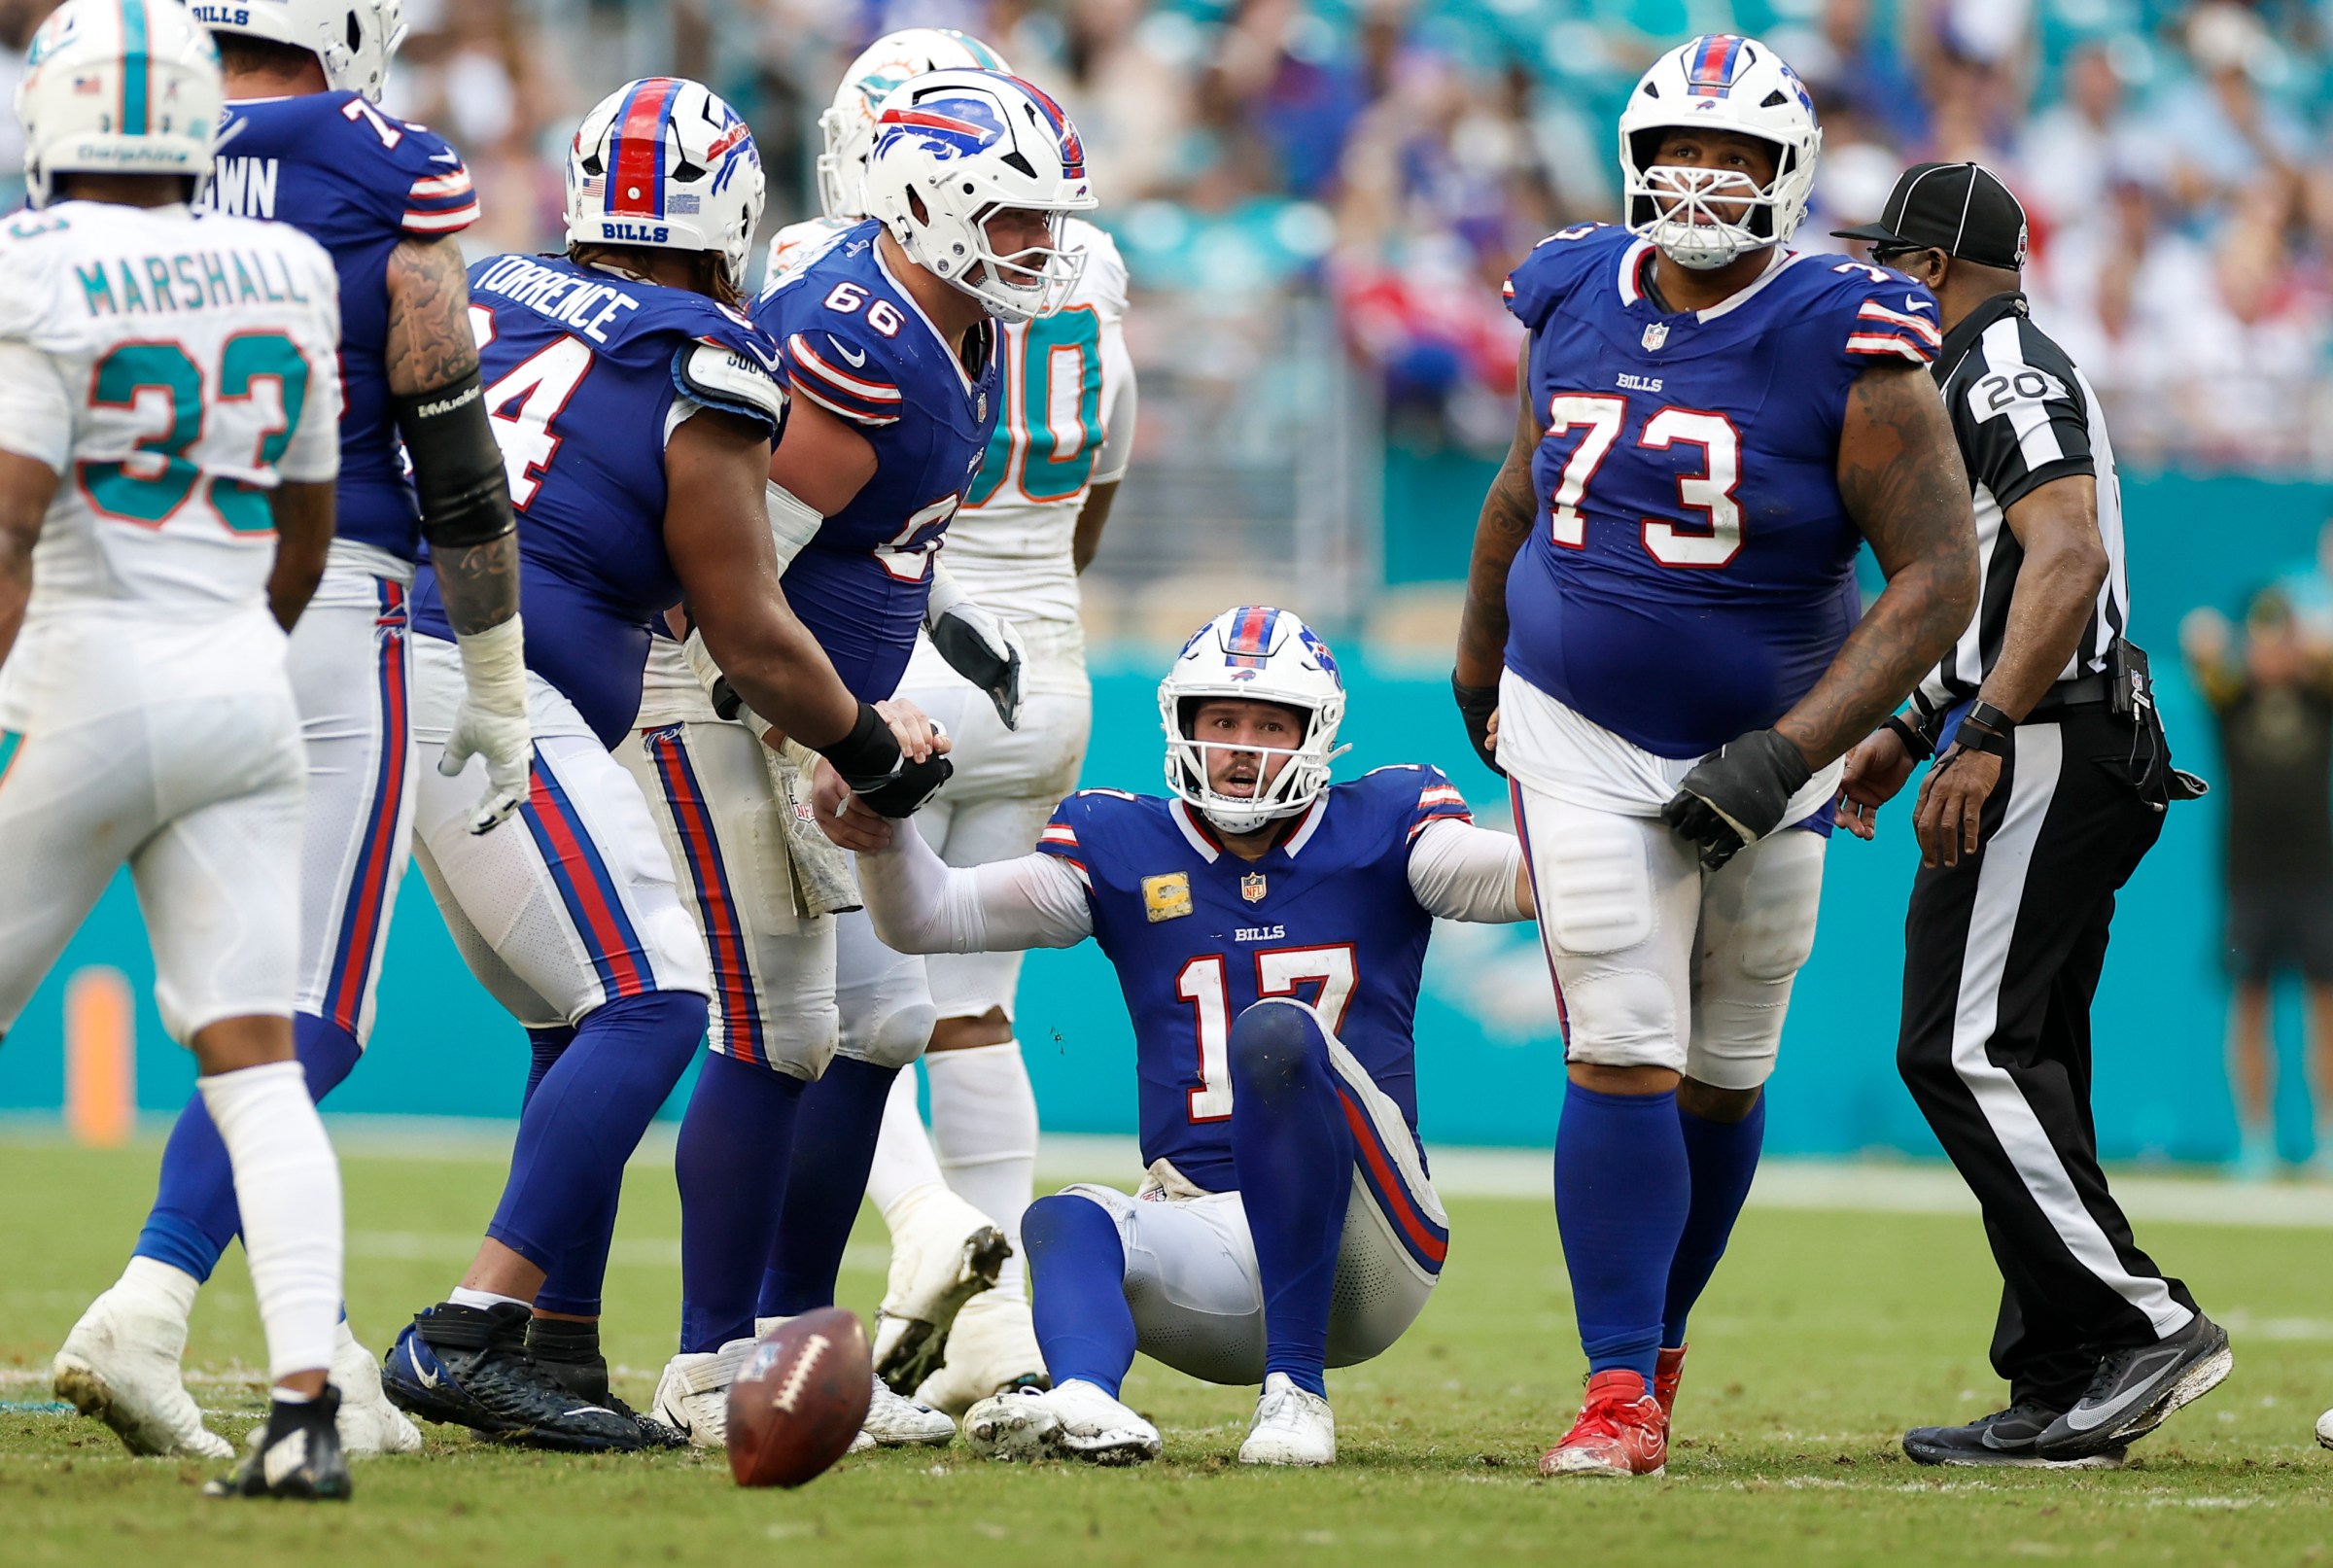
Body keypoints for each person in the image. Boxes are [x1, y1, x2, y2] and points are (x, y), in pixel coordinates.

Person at [375, 76, 951, 1454]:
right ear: (736, 218)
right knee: (653, 1000)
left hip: (390, 657)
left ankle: (556, 1344)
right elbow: (749, 630)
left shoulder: (498, 279)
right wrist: (870, 747)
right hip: (484, 696)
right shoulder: (704, 354)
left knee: (574, 1012)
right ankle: (466, 1332)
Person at [1452, 34, 1980, 1480]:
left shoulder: (1847, 327)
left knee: (1726, 1063)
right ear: (1633, 163)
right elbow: (1521, 479)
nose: (1701, 178)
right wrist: (1479, 640)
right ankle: (1614, 1388)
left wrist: (1796, 752)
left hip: (1775, 738)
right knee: (1622, 1032)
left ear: (1787, 175)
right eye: (1678, 149)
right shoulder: (1568, 285)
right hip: (1574, 716)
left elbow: (1937, 574)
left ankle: (1661, 1337)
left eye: (1735, 155)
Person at [55, 0, 533, 1462]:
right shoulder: (373, 157)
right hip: (321, 594)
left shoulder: (101, 151)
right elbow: (445, 425)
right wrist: (499, 669)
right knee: (302, 1004)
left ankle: (309, 1338)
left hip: (106, 591)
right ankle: (148, 1304)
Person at [638, 66, 1096, 1451]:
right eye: (1011, 216)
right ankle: (714, 1355)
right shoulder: (864, 334)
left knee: (883, 1023)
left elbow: (874, 546)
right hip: (741, 699)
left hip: (815, 698)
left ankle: (787, 1340)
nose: (1038, 244)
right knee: (778, 1024)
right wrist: (826, 727)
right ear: (926, 205)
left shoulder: (960, 323)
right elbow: (732, 581)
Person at [828, 606, 1535, 1466]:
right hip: (1209, 1233)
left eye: (1271, 724)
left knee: (1277, 1034)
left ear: (1317, 734)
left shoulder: (1389, 821)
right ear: (1182, 724)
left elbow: (1522, 883)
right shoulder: (1122, 840)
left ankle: (1297, 1391)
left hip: (1370, 1239)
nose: (1243, 746)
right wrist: (883, 828)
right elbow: (930, 916)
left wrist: (1556, 778)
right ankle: (1083, 1399)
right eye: (1223, 721)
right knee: (1064, 1217)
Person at [3, 0, 352, 1498]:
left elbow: (10, 525)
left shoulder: (37, 271)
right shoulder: (281, 264)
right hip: (240, 680)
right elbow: (309, 523)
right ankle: (306, 1420)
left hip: (89, 676)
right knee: (255, 1063)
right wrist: (230, 646)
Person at [767, 26, 1141, 1413]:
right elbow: (1099, 476)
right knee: (971, 1013)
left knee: (835, 1010)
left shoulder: (839, 270)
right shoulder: (1085, 263)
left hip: (902, 647)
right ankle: (1000, 1346)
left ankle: (930, 1228)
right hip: (1047, 655)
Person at [1835, 160, 2229, 1467]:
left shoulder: (1998, 365)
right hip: (2051, 724)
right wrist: (1910, 726)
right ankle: (2066, 1372)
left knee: (1962, 1049)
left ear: (1934, 267)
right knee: (2022, 1052)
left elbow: (2066, 554)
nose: (1872, 288)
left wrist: (1984, 732)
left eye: (1889, 262)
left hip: (2056, 732)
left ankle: (2140, 1324)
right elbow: (2005, 577)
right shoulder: (1977, 365)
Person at [2181, 591, 2333, 1178]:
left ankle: (2326, 1139)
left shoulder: (2320, 697)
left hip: (2315, 878)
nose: (2274, 652)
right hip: (2249, 881)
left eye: (2283, 639)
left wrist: (2307, 637)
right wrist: (2233, 644)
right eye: (2264, 639)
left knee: (2324, 1007)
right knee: (2250, 1008)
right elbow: (2200, 639)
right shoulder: (2232, 699)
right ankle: (2257, 1142)